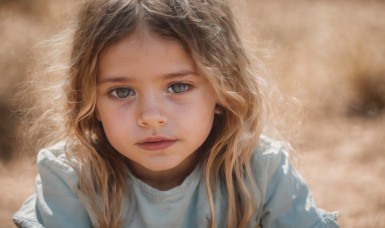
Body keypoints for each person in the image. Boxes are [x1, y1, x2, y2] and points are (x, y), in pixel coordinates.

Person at [13, 0, 339, 227]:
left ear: (222, 88)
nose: (151, 116)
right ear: (90, 101)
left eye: (178, 87)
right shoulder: (71, 178)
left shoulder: (260, 171)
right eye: (121, 92)